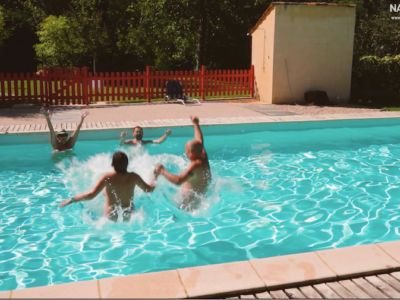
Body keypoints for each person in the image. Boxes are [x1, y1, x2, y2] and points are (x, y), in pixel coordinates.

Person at [59, 151, 158, 222]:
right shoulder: (134, 177)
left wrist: (72, 200)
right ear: (127, 164)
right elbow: (149, 190)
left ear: (112, 164)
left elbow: (91, 195)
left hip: (110, 217)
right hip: (129, 215)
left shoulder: (107, 177)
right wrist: (155, 176)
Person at [155, 116, 211, 210]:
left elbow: (178, 180)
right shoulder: (203, 156)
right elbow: (200, 140)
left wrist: (162, 170)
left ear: (191, 153)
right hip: (199, 199)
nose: (185, 154)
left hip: (189, 206)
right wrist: (195, 123)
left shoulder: (195, 165)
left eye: (186, 152)